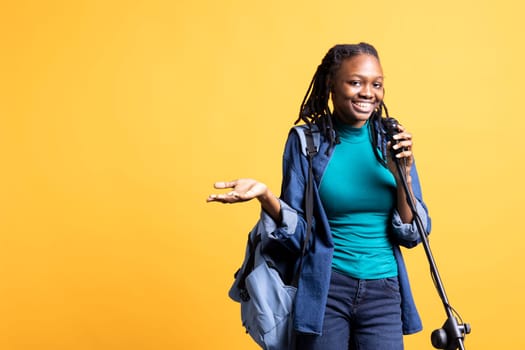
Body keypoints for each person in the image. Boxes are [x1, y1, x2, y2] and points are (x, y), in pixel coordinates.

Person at [207, 42, 431, 350]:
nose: (368, 92)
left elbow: (412, 233)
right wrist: (267, 197)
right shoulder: (306, 142)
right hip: (327, 288)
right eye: (355, 82)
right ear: (331, 84)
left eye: (376, 84)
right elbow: (299, 234)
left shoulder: (392, 138)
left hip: (385, 288)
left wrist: (402, 173)